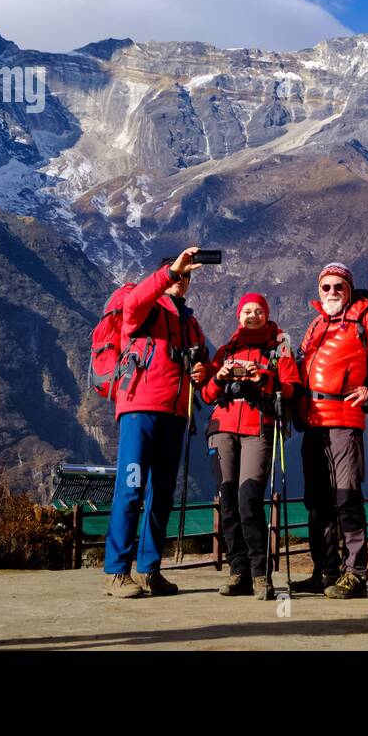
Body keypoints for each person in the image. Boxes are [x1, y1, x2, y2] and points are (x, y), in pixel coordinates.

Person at [104, 246, 211, 598]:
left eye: (187, 276)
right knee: (131, 488)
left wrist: (201, 370)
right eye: (178, 274)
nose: (183, 280)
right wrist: (169, 271)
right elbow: (133, 303)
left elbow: (201, 364)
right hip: (140, 408)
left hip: (176, 413)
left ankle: (150, 570)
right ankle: (116, 572)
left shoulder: (190, 322)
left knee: (162, 493)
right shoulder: (145, 308)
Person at [199, 292, 300, 600]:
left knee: (248, 499)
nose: (253, 315)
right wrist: (219, 376)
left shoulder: (279, 346)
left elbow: (292, 388)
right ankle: (238, 571)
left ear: (267, 315)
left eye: (258, 310)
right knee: (228, 500)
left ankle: (260, 574)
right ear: (238, 316)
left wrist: (264, 378)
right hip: (222, 428)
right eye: (247, 310)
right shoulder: (229, 348)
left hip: (259, 427)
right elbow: (206, 394)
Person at [290, 262, 368, 598]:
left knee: (346, 497)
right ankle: (324, 572)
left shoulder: (364, 319)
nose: (331, 293)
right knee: (317, 502)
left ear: (348, 288)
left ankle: (355, 573)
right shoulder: (316, 324)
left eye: (337, 287)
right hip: (313, 422)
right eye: (325, 287)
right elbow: (300, 367)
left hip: (344, 419)